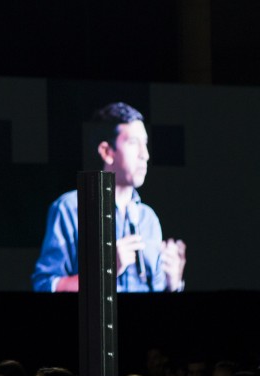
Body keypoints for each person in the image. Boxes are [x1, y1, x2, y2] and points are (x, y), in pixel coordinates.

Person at [31, 102, 187, 293]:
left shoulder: (149, 219)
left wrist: (173, 284)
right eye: (133, 143)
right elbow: (45, 286)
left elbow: (155, 288)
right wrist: (104, 270)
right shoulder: (71, 208)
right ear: (107, 151)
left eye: (145, 143)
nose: (144, 155)